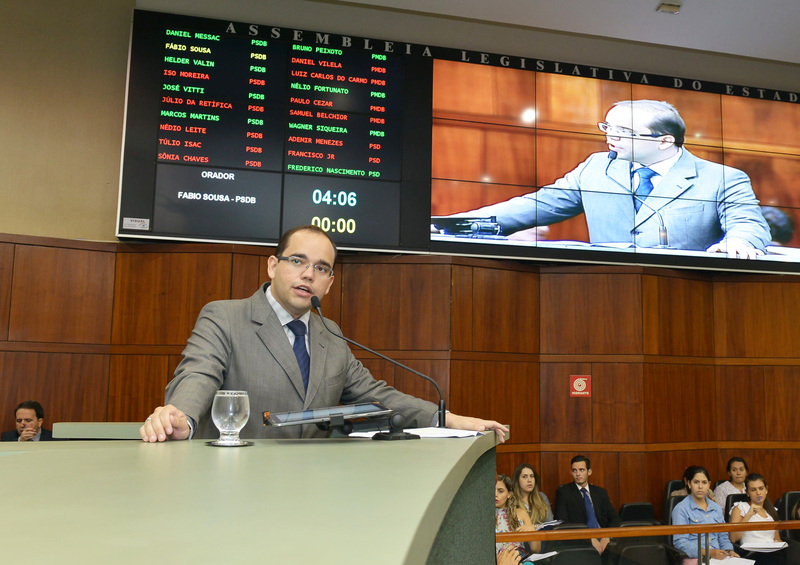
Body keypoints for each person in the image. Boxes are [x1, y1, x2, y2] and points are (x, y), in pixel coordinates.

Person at [140, 225, 509, 442]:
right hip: (237, 491)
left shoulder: (330, 334)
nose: (308, 274)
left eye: (321, 268)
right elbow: (197, 375)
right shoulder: (225, 317)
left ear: (329, 283)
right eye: (297, 261)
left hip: (314, 497)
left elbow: (378, 396)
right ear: (273, 266)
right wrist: (180, 417)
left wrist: (448, 419)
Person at [436, 100, 770, 257]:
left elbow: (747, 223)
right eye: (608, 127)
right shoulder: (597, 167)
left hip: (684, 292)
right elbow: (534, 206)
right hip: (604, 290)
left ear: (664, 141)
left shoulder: (722, 178)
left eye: (624, 131)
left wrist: (740, 242)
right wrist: (449, 225)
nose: (611, 137)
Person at [554, 455, 621, 554]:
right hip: (580, 541)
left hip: (604, 539)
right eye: (574, 470)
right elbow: (562, 522)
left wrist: (607, 535)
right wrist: (588, 538)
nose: (578, 474)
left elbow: (615, 518)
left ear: (589, 472)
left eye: (581, 470)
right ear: (571, 472)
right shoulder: (564, 492)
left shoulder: (600, 492)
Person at [672, 465, 739, 562]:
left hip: (718, 557)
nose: (700, 486)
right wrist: (708, 552)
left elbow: (723, 536)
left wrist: (729, 551)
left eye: (704, 482)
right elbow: (680, 542)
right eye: (696, 482)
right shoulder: (681, 508)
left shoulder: (716, 508)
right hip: (695, 558)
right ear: (689, 484)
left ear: (709, 485)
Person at [730, 473, 787, 565]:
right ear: (747, 492)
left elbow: (777, 538)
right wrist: (748, 515)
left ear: (766, 489)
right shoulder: (740, 507)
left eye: (761, 488)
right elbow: (733, 538)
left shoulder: (772, 510)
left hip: (772, 552)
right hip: (751, 554)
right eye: (753, 490)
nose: (758, 493)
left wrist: (779, 544)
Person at [496, 474, 537, 557]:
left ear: (509, 494)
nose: (495, 494)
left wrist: (533, 532)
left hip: (518, 559)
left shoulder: (521, 513)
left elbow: (536, 549)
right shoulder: (482, 516)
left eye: (500, 491)